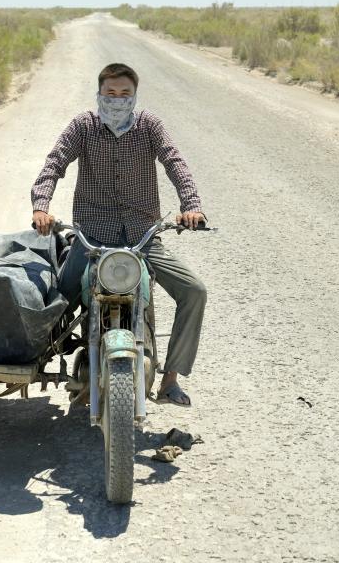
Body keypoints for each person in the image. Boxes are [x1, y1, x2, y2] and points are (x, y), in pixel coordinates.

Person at [30, 62, 207, 406]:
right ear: (99, 94)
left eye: (125, 93)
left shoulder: (150, 126)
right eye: (110, 93)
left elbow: (175, 161)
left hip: (142, 236)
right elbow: (54, 163)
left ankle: (170, 379)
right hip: (92, 236)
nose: (117, 99)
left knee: (194, 291)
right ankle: (45, 360)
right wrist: (41, 206)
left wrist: (192, 205)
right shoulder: (83, 126)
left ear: (135, 96)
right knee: (58, 297)